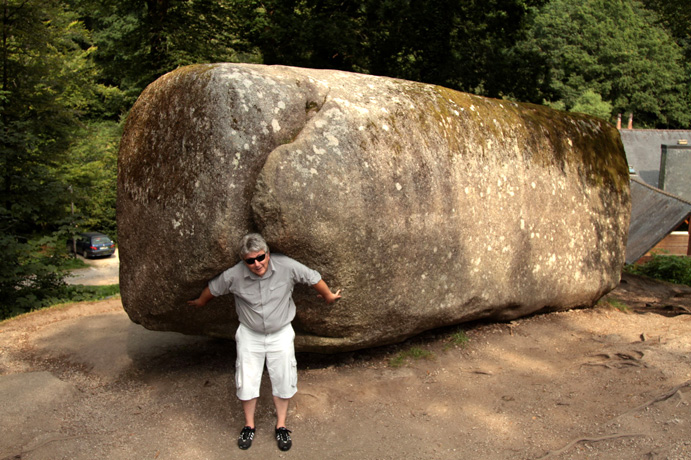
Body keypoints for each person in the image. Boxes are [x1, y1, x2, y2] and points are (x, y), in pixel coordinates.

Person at [188, 233, 341, 451]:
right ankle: (249, 425)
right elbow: (213, 288)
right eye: (250, 260)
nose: (257, 264)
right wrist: (201, 302)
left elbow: (312, 277)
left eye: (260, 257)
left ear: (268, 254)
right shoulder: (234, 275)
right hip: (250, 334)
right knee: (246, 379)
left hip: (281, 333)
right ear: (243, 261)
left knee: (283, 376)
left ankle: (281, 426)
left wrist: (327, 296)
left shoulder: (286, 266)